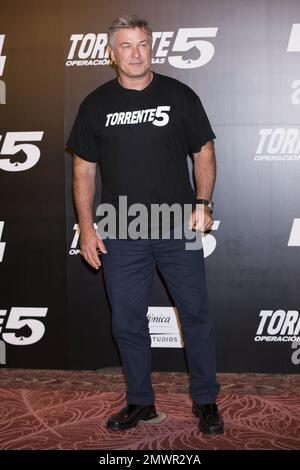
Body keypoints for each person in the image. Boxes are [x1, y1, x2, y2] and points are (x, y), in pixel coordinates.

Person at [67, 14, 224, 435]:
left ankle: (206, 401)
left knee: (195, 316)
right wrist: (86, 227)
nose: (136, 53)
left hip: (177, 225)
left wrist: (203, 202)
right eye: (126, 46)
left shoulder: (180, 95)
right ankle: (140, 401)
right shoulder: (95, 104)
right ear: (111, 53)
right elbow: (83, 170)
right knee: (126, 321)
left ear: (150, 48)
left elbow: (203, 152)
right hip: (121, 228)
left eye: (142, 44)